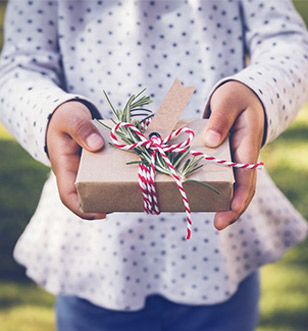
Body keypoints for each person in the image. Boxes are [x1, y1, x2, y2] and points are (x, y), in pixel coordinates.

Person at [0, 0, 308, 330]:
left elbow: (286, 41)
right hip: (97, 258)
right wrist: (48, 116)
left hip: (219, 255)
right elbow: (19, 68)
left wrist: (257, 92)